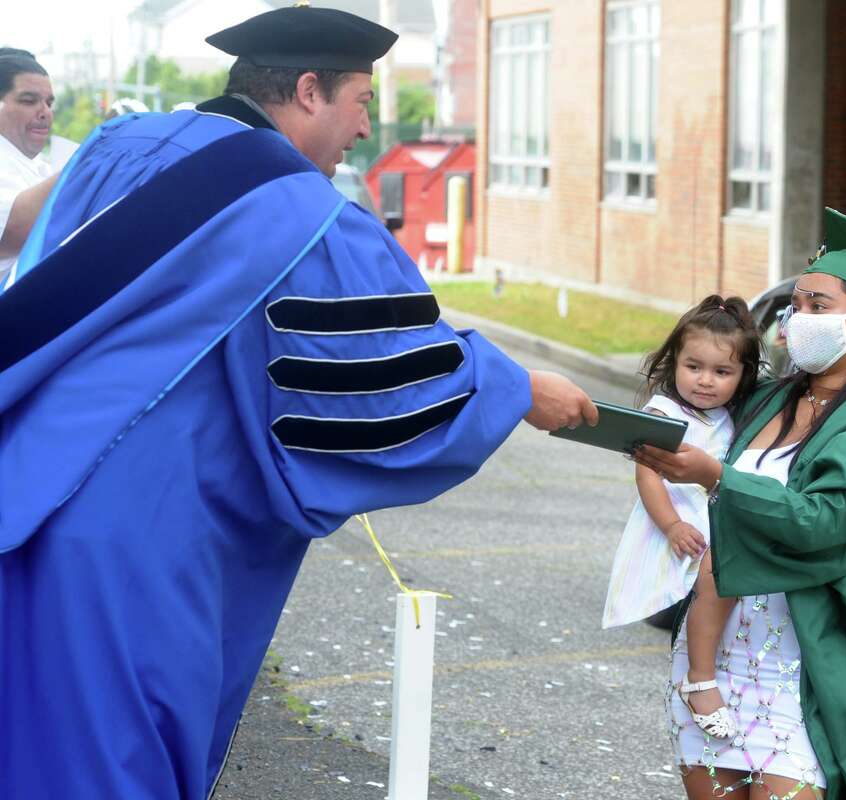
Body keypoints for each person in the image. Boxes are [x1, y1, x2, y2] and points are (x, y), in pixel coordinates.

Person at [0, 7, 595, 800]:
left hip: (24, 488)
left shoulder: (117, 145)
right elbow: (382, 381)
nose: (366, 126)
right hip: (139, 542)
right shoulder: (305, 218)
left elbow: (26, 234)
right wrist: (516, 388)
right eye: (360, 100)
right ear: (310, 91)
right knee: (112, 767)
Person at [636, 208, 846, 800]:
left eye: (817, 306)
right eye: (796, 305)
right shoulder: (769, 400)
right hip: (714, 657)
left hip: (800, 667)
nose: (797, 319)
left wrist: (719, 477)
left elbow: (824, 524)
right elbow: (697, 388)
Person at [602, 296, 759, 740]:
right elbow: (648, 474)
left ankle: (718, 673)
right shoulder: (664, 413)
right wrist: (670, 525)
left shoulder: (732, 416)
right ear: (674, 363)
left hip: (715, 517)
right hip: (679, 520)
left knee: (727, 599)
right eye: (694, 367)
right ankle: (699, 678)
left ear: (743, 375)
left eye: (722, 372)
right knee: (716, 582)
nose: (705, 381)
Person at [0, 49, 55, 283]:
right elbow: (12, 232)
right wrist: (91, 163)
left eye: (49, 102)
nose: (45, 112)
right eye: (29, 101)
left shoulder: (42, 166)